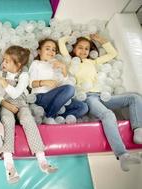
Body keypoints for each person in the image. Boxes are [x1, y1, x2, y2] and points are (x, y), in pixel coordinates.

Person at [59, 33, 141, 171]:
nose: (83, 51)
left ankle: (138, 130)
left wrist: (101, 40)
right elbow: (61, 42)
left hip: (103, 96)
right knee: (108, 115)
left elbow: (112, 53)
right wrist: (71, 36)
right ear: (74, 49)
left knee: (134, 98)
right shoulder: (70, 61)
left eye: (86, 48)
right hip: (87, 97)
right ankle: (122, 155)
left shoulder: (93, 62)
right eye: (80, 47)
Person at [0, 45, 57, 184]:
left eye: (7, 61)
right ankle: (9, 164)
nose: (4, 63)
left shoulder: (24, 75)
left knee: (27, 119)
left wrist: (2, 82)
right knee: (7, 120)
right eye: (4, 60)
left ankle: (42, 159)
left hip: (21, 103)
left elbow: (16, 93)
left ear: (18, 64)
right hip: (7, 104)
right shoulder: (2, 74)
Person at [29, 38, 88, 123]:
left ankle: (55, 117)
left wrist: (63, 69)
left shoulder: (56, 65)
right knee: (69, 89)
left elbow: (65, 85)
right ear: (39, 51)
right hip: (41, 97)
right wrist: (44, 82)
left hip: (56, 101)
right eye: (47, 48)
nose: (51, 51)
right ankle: (50, 116)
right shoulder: (36, 64)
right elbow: (31, 84)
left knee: (83, 107)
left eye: (54, 50)